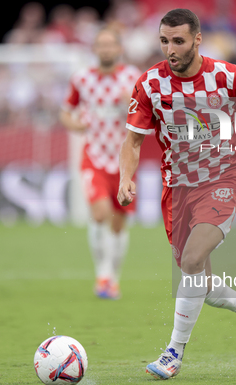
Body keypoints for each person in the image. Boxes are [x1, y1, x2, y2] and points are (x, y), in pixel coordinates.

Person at [117, 9, 236, 379]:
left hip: (223, 179)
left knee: (192, 262)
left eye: (177, 41)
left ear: (197, 40)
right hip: (177, 191)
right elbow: (131, 140)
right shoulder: (148, 85)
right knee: (201, 284)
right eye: (164, 41)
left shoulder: (228, 77)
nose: (170, 49)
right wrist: (126, 177)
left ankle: (173, 353)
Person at [60, 28, 140, 299]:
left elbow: (148, 112)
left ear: (119, 48)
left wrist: (130, 101)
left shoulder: (132, 77)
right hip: (93, 156)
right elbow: (66, 112)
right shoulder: (81, 79)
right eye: (101, 45)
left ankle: (113, 278)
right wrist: (76, 124)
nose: (106, 49)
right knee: (99, 214)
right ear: (94, 49)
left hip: (123, 160)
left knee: (118, 223)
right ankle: (102, 273)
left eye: (110, 45)